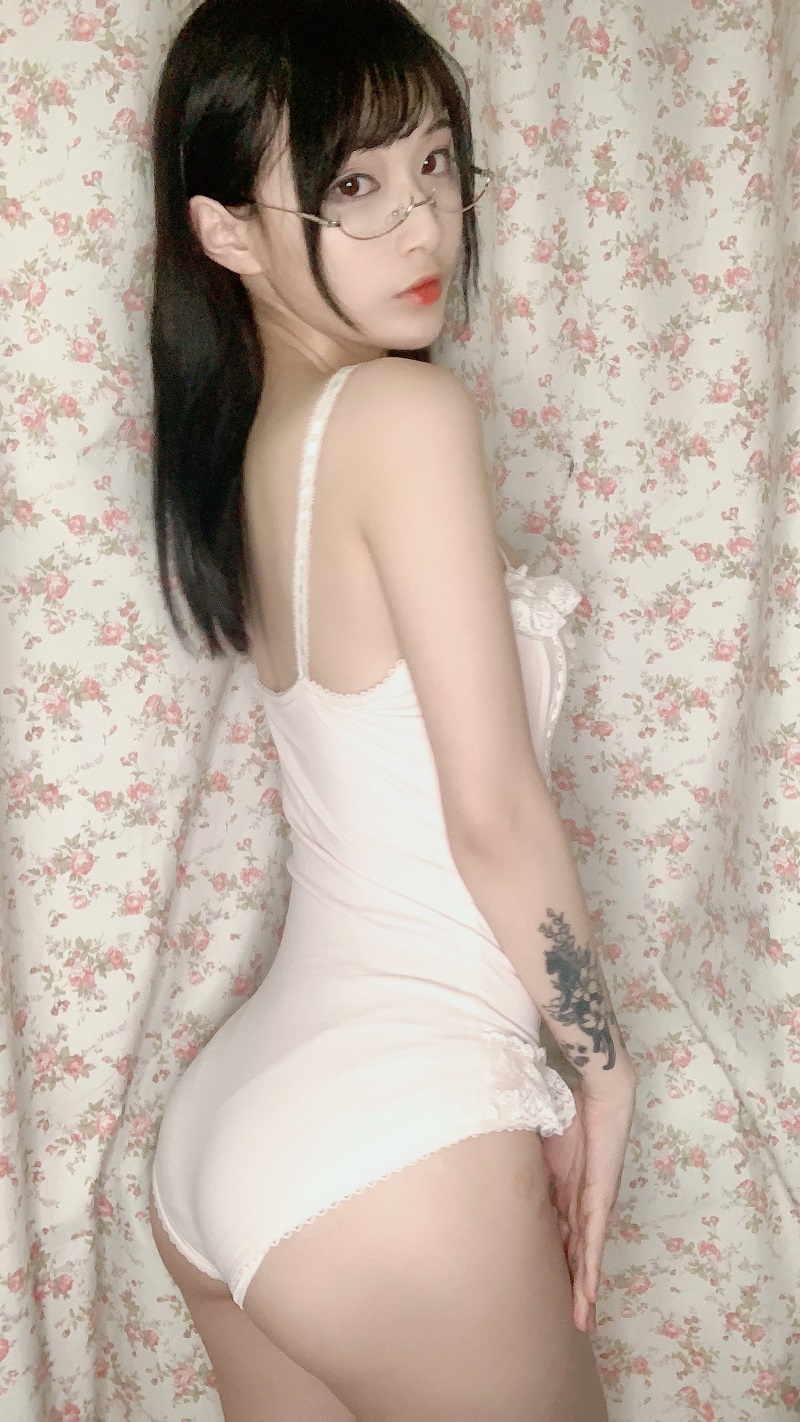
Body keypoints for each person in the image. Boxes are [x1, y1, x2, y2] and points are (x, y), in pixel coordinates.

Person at [146, 1, 638, 1417]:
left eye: (433, 164)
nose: (421, 221)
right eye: (353, 185)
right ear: (227, 233)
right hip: (392, 1139)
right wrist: (605, 1071)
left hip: (237, 1133)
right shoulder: (403, 420)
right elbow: (492, 813)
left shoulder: (268, 448)